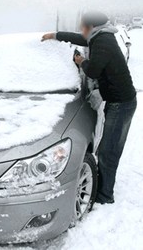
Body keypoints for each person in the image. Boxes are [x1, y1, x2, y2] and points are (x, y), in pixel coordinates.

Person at [41, 11, 137, 204]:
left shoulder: (103, 43)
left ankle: (104, 196)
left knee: (108, 152)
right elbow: (82, 39)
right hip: (120, 101)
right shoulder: (101, 37)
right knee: (108, 150)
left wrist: (80, 61)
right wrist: (55, 35)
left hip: (121, 104)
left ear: (91, 27)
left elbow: (92, 70)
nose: (80, 29)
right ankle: (104, 191)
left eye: (82, 25)